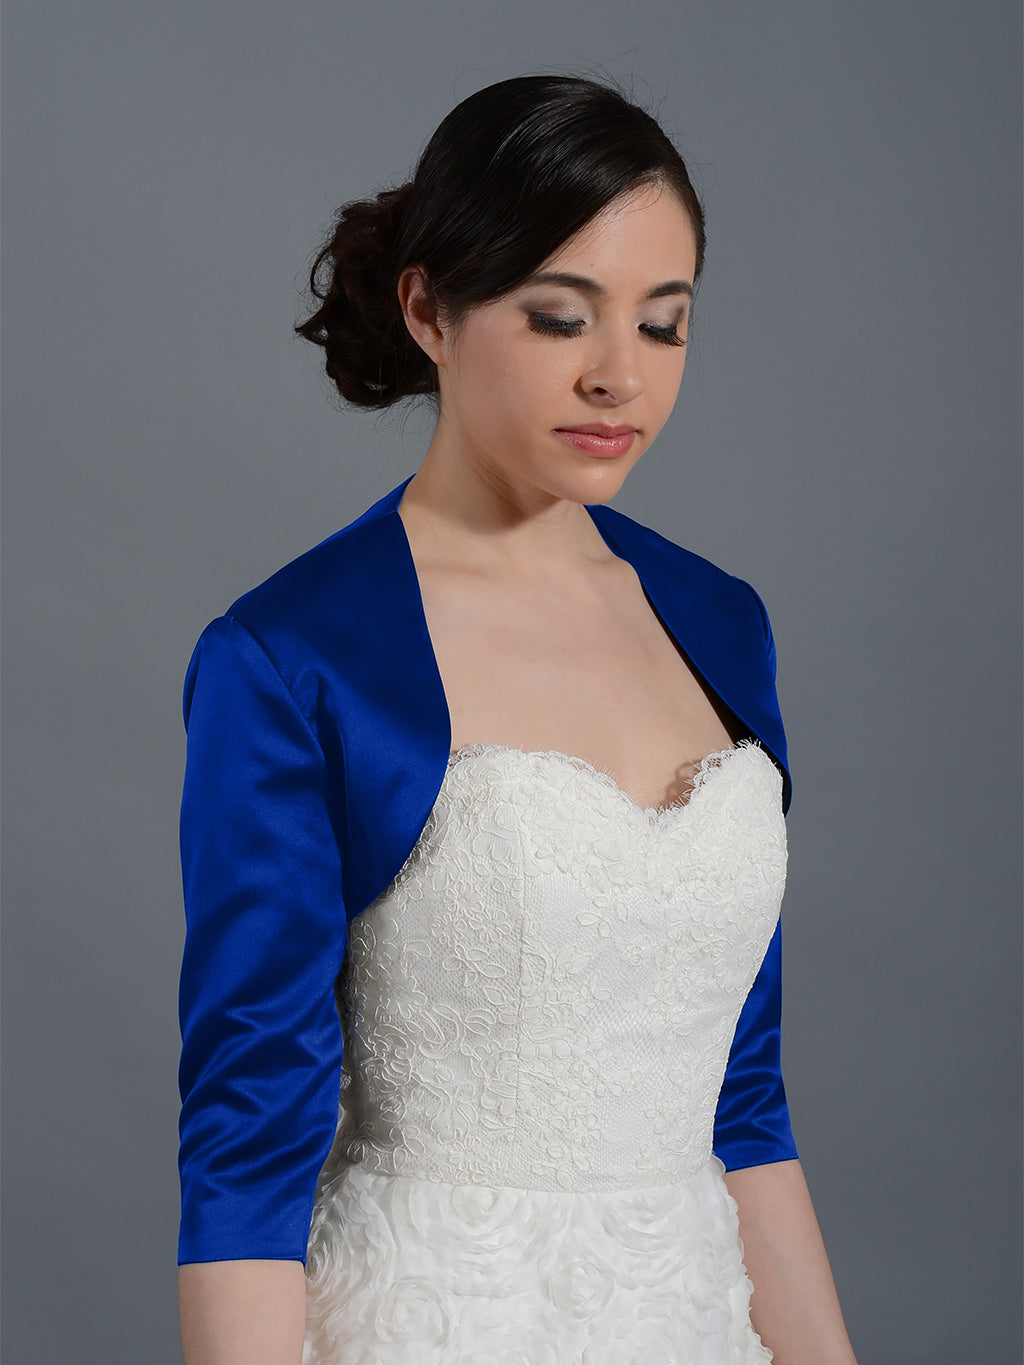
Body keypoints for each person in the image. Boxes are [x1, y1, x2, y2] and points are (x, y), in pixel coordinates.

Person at [175, 74, 858, 1364]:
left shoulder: (722, 625)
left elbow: (745, 1103)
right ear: (428, 309)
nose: (618, 377)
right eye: (559, 318)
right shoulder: (295, 658)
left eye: (663, 325)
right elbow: (246, 1141)